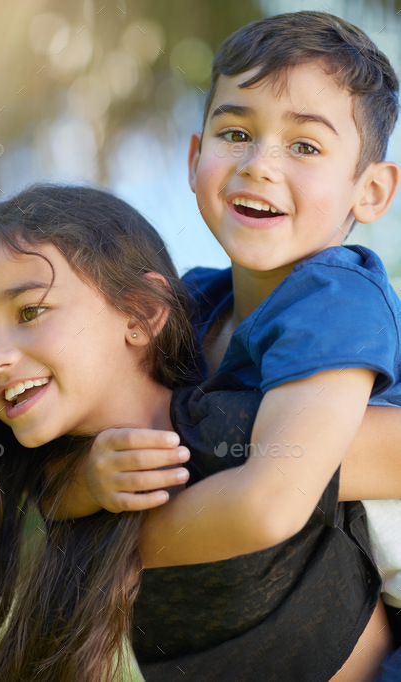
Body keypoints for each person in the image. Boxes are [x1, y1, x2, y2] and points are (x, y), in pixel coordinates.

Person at [0, 183, 401, 682]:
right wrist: (81, 489)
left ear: (140, 312)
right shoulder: (37, 496)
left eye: (31, 310)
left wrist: (116, 538)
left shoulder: (236, 429)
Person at [56, 11, 401, 681]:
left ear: (372, 189)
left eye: (304, 146)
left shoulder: (335, 298)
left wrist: (108, 551)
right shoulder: (192, 305)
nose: (259, 165)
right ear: (194, 159)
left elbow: (269, 501)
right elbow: (70, 447)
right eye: (236, 132)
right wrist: (85, 481)